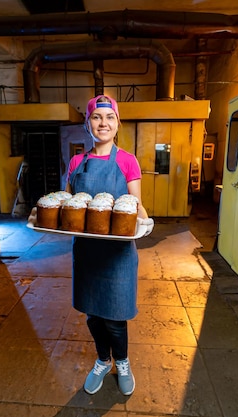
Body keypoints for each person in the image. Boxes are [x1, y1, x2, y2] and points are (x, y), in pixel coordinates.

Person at [66, 94, 153, 396]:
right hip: (87, 252)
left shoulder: (128, 161)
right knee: (93, 316)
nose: (103, 123)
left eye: (110, 117)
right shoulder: (77, 161)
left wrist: (145, 220)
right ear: (87, 123)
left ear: (117, 124)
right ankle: (103, 360)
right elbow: (69, 203)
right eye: (96, 117)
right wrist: (42, 215)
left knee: (115, 317)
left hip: (118, 256)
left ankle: (123, 362)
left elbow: (137, 204)